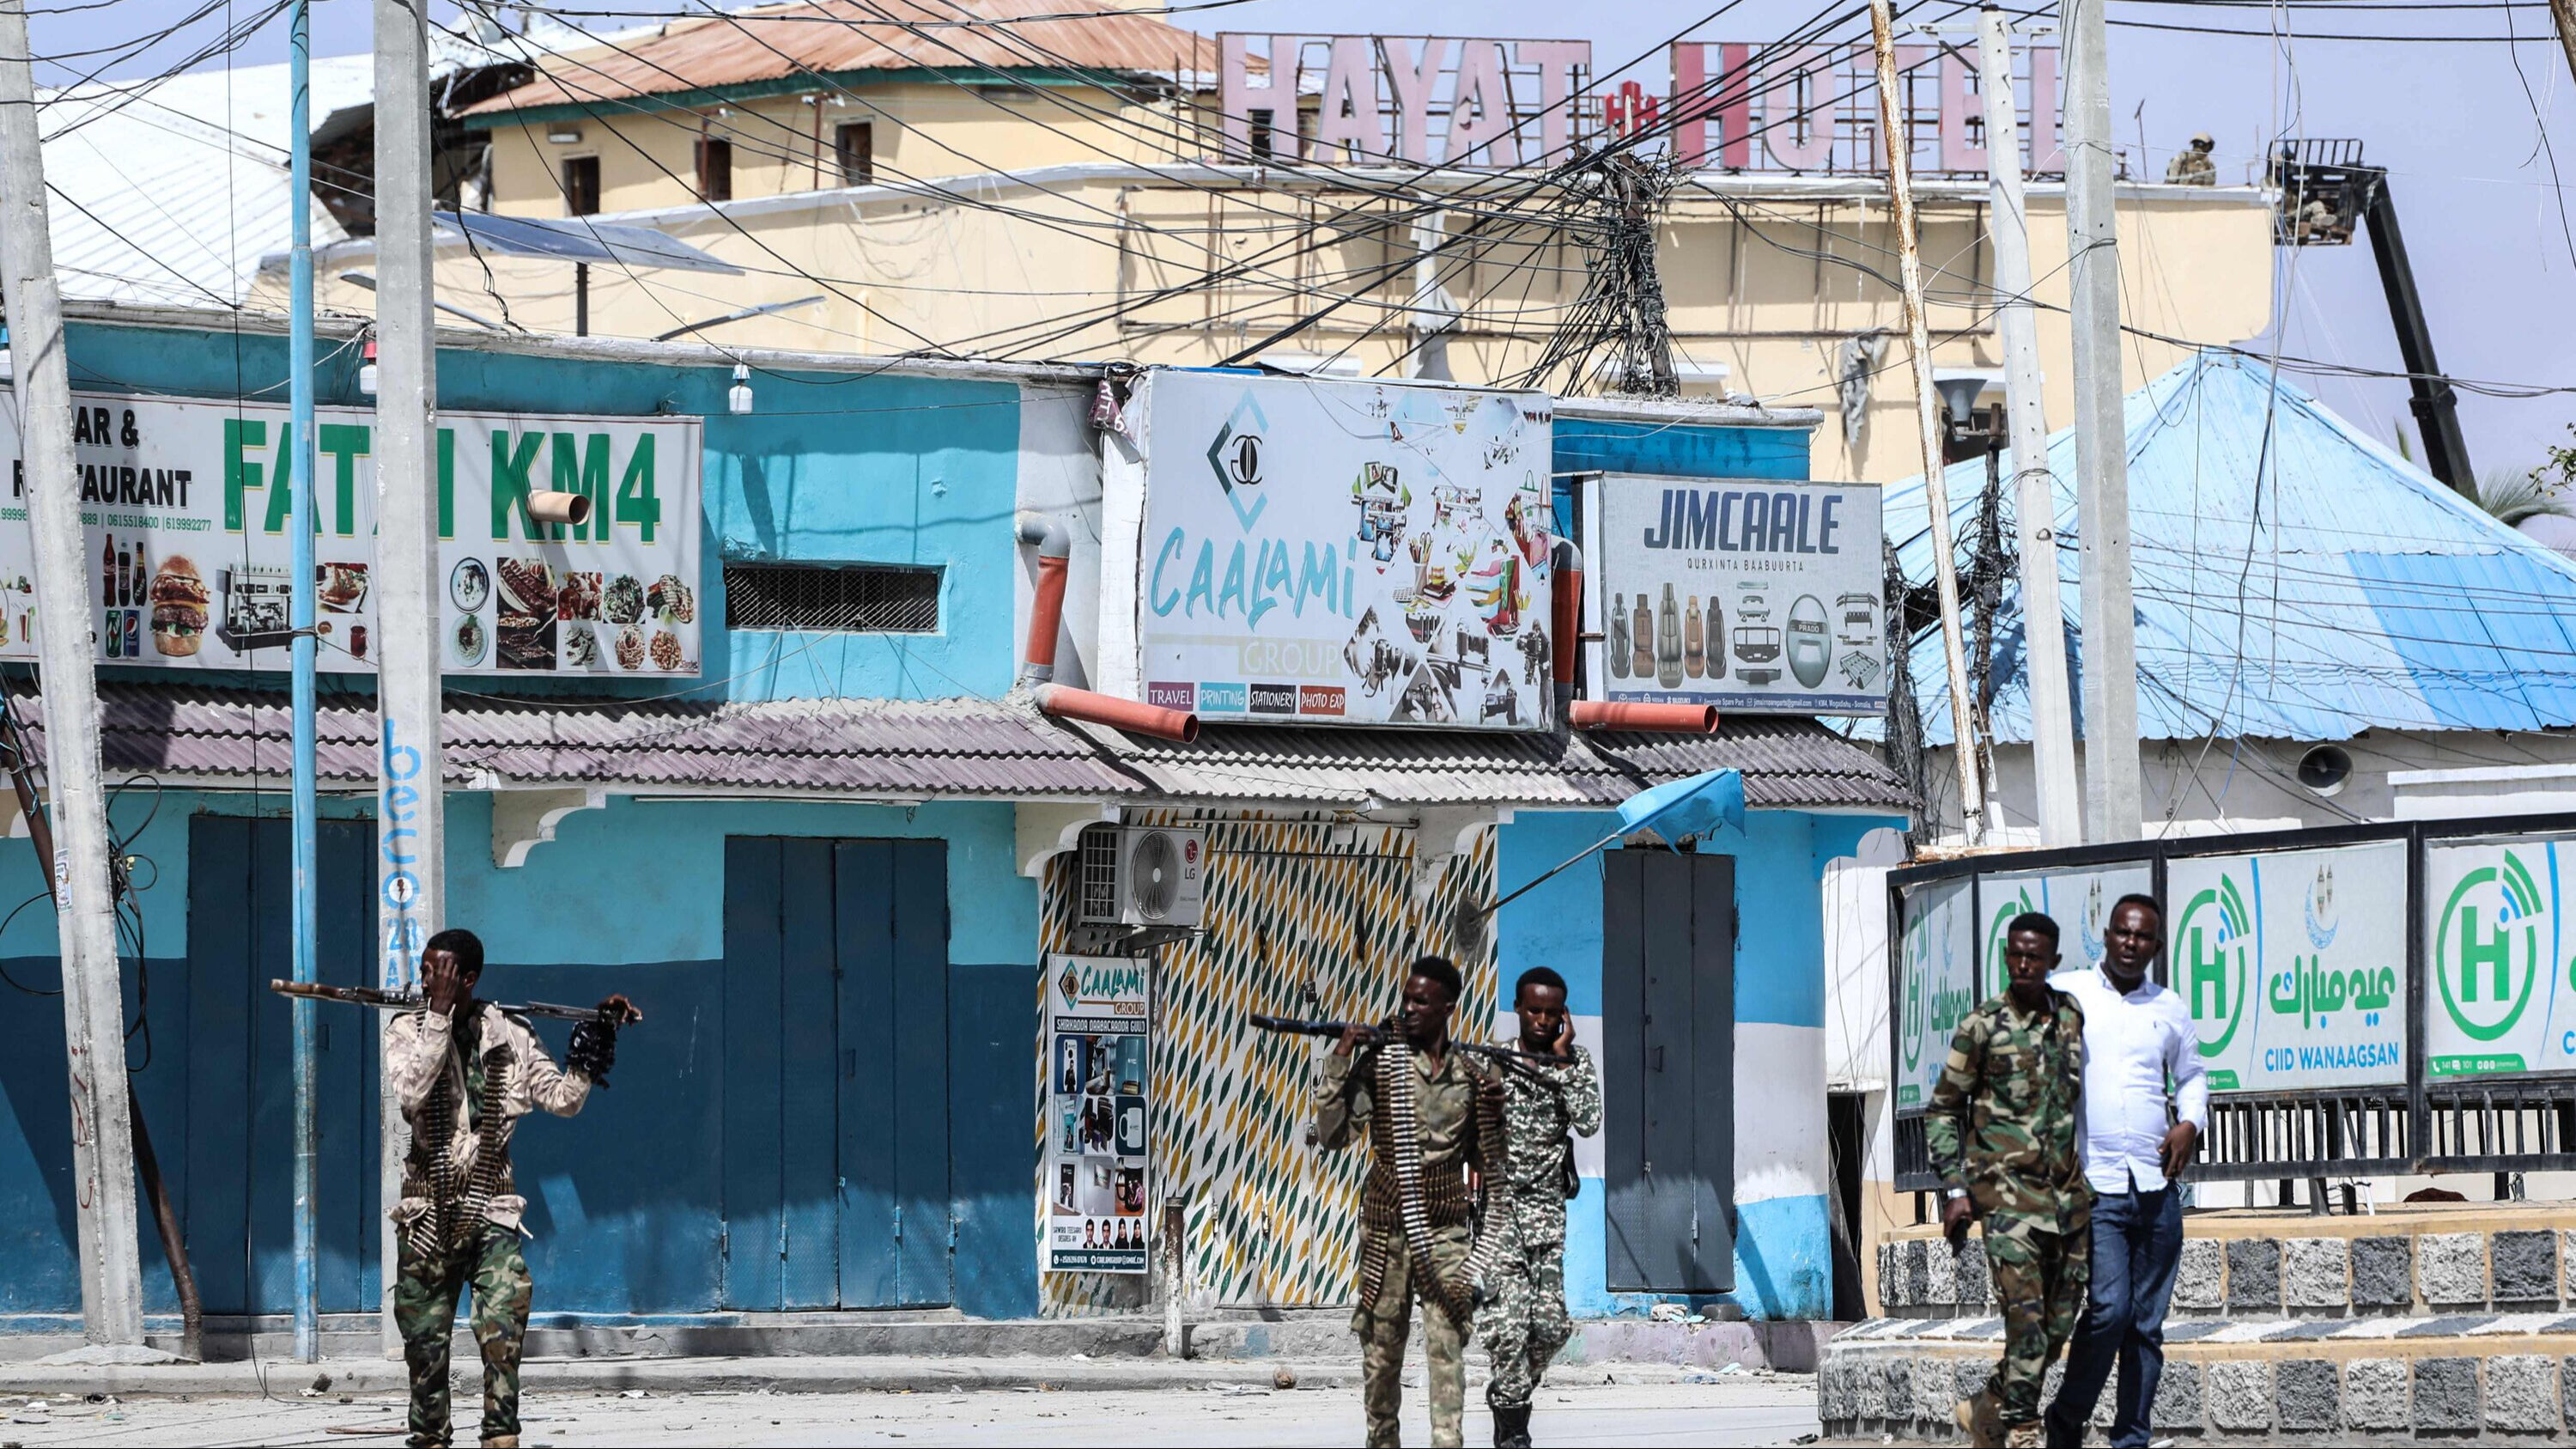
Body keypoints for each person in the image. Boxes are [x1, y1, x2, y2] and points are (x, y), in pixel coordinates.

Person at [386, 928, 632, 1449]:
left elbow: (563, 1100)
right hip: (427, 1210)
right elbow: (411, 1092)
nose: (426, 980)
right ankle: (429, 1437)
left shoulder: (511, 1034)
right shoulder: (407, 1029)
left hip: (491, 1207)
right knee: (425, 1342)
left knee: (504, 1325)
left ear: (467, 978)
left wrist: (594, 1046)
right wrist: (438, 1017)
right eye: (425, 969)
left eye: (437, 971)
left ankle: (500, 1436)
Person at [1315, 954, 1508, 1449]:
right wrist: (1341, 1059)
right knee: (1381, 1354)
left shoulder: (1469, 1076)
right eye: (1407, 999)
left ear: (1448, 1007)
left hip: (1445, 1228)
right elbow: (1333, 1136)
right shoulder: (1382, 1066)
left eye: (1421, 1001)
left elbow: (1489, 1161)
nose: (1409, 1009)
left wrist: (1497, 1114)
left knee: (1448, 1347)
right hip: (1386, 1227)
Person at [2044, 895, 2207, 1449]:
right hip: (2097, 1187)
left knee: (2145, 1325)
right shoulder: (2069, 993)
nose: (2130, 943)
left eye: (2142, 937)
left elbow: (2192, 1075)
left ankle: (2132, 1438)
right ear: (2106, 935)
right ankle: (2066, 1419)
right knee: (2110, 1311)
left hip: (2157, 1188)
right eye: (2122, 932)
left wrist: (2189, 1123)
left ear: (2155, 946)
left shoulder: (2169, 1007)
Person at [1929, 913, 2090, 1449]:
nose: (2023, 965)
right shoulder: (1982, 1026)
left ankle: (1985, 1407)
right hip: (2006, 1202)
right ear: (2006, 957)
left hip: (2067, 1202)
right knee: (2027, 1326)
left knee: (2055, 1331)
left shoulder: (2070, 1016)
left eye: (2034, 957)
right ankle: (2021, 1430)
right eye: (2015, 956)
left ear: (2053, 962)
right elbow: (1943, 1110)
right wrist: (1955, 1189)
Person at [1478, 966, 1601, 1449]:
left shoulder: (1574, 1061)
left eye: (1552, 1013)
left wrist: (1563, 1062)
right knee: (1508, 1330)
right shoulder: (1494, 1061)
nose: (1542, 1021)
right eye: (1534, 1010)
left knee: (1551, 1328)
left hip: (1548, 1213)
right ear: (1518, 1008)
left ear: (1563, 1015)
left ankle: (1507, 1394)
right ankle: (1514, 1431)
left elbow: (1589, 1122)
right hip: (1500, 1215)